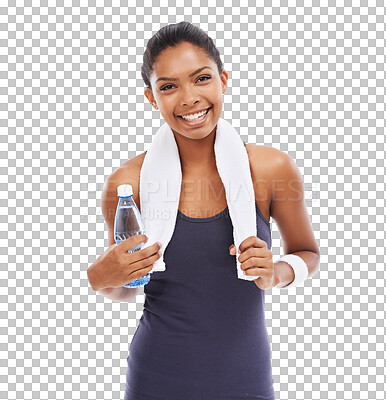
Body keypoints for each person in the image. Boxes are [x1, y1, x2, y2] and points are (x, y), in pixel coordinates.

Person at [87, 21, 320, 400]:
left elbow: (308, 253)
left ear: (223, 79)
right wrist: (104, 278)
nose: (189, 98)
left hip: (247, 381)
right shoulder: (126, 184)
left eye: (201, 78)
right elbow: (128, 289)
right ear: (151, 98)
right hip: (154, 381)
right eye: (168, 86)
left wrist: (277, 272)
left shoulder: (271, 169)